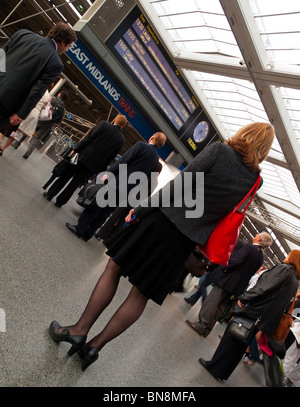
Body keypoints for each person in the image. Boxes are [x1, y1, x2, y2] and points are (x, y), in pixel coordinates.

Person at [48, 122, 275, 371]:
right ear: (264, 149)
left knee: (114, 268)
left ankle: (80, 330)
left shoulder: (219, 151)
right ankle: (95, 347)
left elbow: (179, 186)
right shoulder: (255, 180)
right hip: (184, 242)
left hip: (162, 221)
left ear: (245, 133)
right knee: (141, 294)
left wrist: (141, 207)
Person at [199, 250, 300, 382]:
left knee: (231, 338)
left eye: (289, 255)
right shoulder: (294, 280)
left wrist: (245, 297)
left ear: (292, 258)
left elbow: (263, 287)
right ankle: (223, 372)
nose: (286, 256)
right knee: (240, 346)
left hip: (255, 312)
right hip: (263, 319)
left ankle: (214, 366)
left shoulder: (284, 270)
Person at [65, 133, 167, 241]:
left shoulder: (141, 145)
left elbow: (124, 161)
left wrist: (108, 173)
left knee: (96, 204)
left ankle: (80, 229)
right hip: (126, 190)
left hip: (116, 183)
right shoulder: (156, 161)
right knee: (106, 212)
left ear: (151, 137)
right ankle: (88, 234)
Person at [0, 22, 77, 151]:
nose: (67, 50)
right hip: (7, 103)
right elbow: (37, 90)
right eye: (68, 46)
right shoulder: (55, 62)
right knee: (15, 133)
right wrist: (21, 114)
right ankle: (4, 148)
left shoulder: (23, 34)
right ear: (63, 42)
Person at [185, 232, 273, 338]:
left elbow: (235, 261)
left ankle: (201, 324)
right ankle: (207, 329)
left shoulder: (249, 247)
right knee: (221, 306)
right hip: (237, 285)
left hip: (227, 279)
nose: (256, 235)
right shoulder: (261, 258)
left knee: (212, 301)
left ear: (259, 239)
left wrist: (224, 268)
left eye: (258, 235)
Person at [43, 114, 127, 207]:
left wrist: (76, 149)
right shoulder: (121, 140)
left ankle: (50, 195)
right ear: (123, 126)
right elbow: (111, 157)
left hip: (83, 156)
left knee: (65, 176)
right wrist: (101, 169)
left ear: (115, 119)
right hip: (93, 166)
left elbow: (89, 137)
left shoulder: (104, 124)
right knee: (74, 184)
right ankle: (59, 202)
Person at [22, 91, 68, 158]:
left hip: (40, 118)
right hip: (49, 124)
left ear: (59, 94)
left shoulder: (51, 98)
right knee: (37, 138)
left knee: (28, 129)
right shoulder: (64, 109)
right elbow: (60, 120)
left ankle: (16, 143)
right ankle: (27, 154)